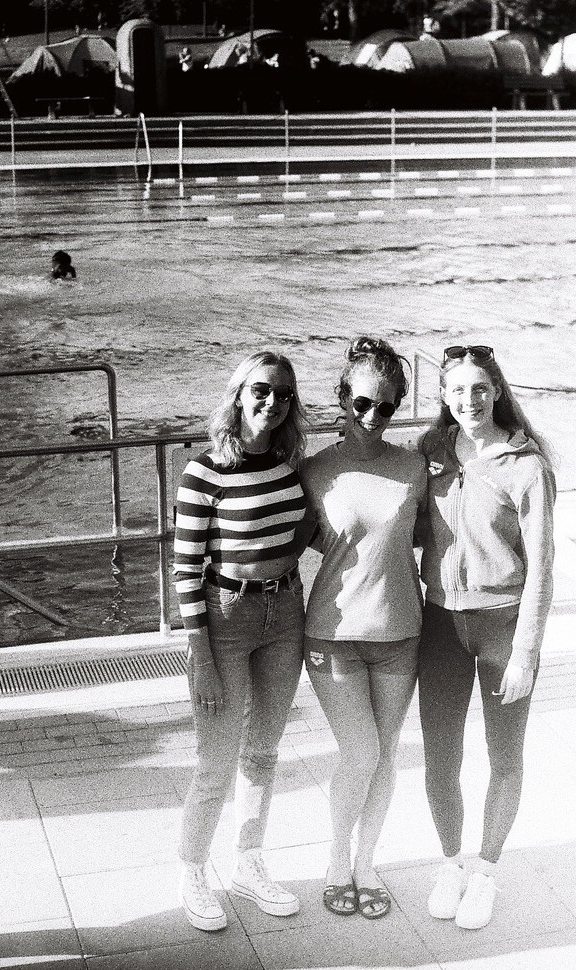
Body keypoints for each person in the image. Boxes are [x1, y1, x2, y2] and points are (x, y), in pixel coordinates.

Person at [417, 344, 555, 931]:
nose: (469, 399)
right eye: (457, 390)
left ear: (496, 391)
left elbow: (542, 568)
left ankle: (486, 871)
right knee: (440, 758)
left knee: (504, 756)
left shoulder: (527, 466)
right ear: (443, 397)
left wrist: (525, 651)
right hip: (440, 625)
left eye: (479, 388)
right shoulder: (431, 452)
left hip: (503, 626)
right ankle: (452, 863)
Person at [173, 350, 308, 932]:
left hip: (287, 612)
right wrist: (200, 657)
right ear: (238, 395)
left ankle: (248, 863)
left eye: (283, 394)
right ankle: (192, 870)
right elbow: (185, 570)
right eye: (261, 390)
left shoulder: (288, 465)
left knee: (263, 752)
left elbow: (303, 530)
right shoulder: (204, 472)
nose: (272, 402)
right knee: (216, 760)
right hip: (226, 619)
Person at [300, 336, 427, 919]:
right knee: (361, 752)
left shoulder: (413, 467)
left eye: (386, 406)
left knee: (385, 754)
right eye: (362, 403)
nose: (373, 416)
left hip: (401, 633)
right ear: (342, 398)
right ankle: (335, 861)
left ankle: (366, 864)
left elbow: (428, 535)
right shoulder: (315, 470)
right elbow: (288, 538)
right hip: (333, 635)